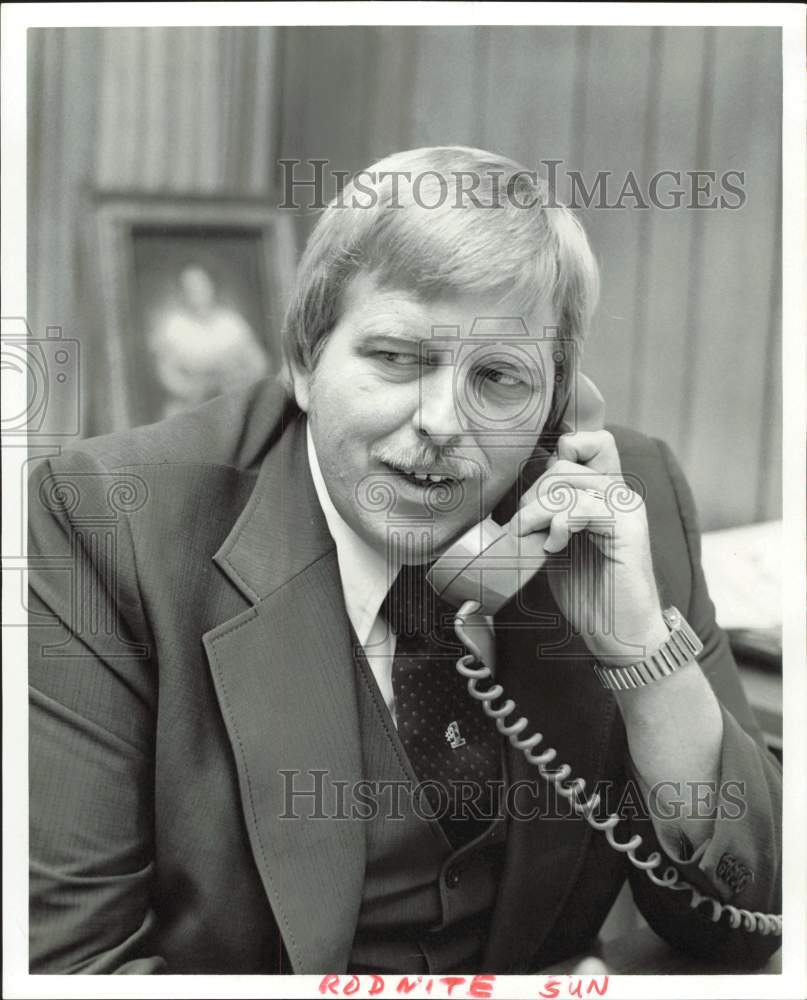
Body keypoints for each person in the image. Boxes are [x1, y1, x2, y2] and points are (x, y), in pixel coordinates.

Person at [28, 146, 781, 974]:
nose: (442, 422)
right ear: (305, 359)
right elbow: (75, 967)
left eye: (498, 377)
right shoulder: (109, 521)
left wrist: (640, 655)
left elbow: (751, 915)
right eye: (396, 357)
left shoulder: (619, 508)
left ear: (558, 407)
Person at [148, 264, 270, 418]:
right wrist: (196, 389)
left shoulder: (232, 322)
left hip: (232, 401)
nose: (197, 293)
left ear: (211, 287)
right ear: (181, 292)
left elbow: (259, 363)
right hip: (189, 407)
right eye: (190, 289)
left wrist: (238, 382)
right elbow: (165, 374)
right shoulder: (172, 327)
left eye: (201, 286)